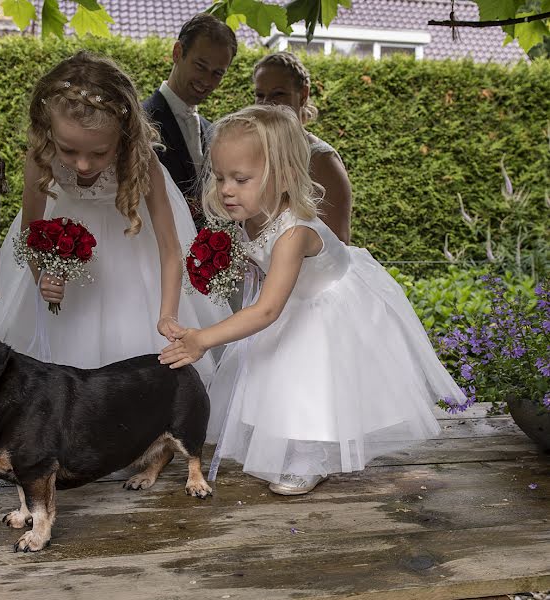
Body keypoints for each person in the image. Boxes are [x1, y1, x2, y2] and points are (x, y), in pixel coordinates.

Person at [159, 105, 466, 496]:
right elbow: (259, 266)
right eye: (220, 177)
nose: (226, 189)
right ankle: (286, 444)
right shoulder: (251, 214)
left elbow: (267, 310)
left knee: (310, 376)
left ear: (282, 176)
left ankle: (311, 456)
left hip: (328, 305)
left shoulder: (294, 233)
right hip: (295, 299)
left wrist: (203, 338)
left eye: (241, 178)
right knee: (275, 371)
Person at [0, 51, 230, 383]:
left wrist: (167, 313)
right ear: (49, 132)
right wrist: (42, 276)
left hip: (131, 260)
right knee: (55, 360)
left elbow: (171, 249)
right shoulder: (41, 158)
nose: (82, 165)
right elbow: (30, 232)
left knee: (128, 357)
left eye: (99, 153)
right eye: (68, 150)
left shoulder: (142, 162)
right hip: (69, 269)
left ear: (123, 135)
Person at [143, 13, 237, 228]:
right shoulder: (139, 121)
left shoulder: (212, 130)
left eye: (217, 73)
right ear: (178, 53)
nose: (206, 80)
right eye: (200, 66)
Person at [253, 51, 352, 244]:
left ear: (303, 94)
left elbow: (338, 243)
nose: (266, 104)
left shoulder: (322, 160)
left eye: (278, 93)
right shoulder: (253, 153)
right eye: (260, 95)